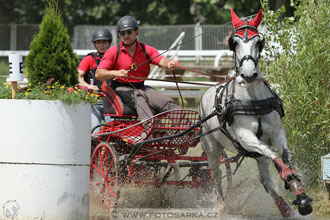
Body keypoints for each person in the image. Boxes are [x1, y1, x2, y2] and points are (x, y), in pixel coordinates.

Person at [95, 16, 180, 121]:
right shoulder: (113, 52)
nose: (126, 36)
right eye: (122, 33)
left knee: (166, 101)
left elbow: (161, 61)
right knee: (139, 96)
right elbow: (99, 74)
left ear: (136, 32)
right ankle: (152, 128)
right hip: (121, 88)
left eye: (129, 32)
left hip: (141, 87)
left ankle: (187, 130)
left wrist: (169, 63)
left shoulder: (146, 49)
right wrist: (116, 73)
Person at [77, 28, 113, 132]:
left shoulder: (114, 58)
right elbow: (77, 76)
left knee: (113, 133)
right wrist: (88, 86)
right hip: (94, 102)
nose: (101, 45)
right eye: (99, 42)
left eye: (104, 42)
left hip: (111, 103)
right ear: (95, 44)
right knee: (94, 133)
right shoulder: (89, 59)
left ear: (109, 43)